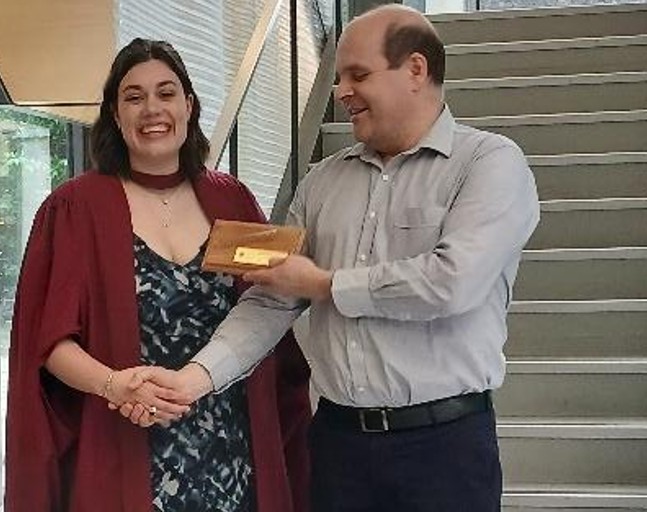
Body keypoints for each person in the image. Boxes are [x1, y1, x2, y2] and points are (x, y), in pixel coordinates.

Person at [129, 4, 541, 511]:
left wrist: (324, 284)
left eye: (358, 75)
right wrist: (191, 380)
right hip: (338, 446)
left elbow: (451, 282)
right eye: (340, 75)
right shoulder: (321, 182)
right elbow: (272, 300)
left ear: (415, 69)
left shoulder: (489, 163)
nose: (341, 90)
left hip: (444, 448)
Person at [4, 38, 311, 512]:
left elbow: (272, 315)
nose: (152, 109)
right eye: (134, 97)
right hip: (124, 449)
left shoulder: (233, 200)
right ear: (115, 114)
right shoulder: (73, 208)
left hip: (232, 454)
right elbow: (48, 345)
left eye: (166, 93)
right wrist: (114, 384)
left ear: (188, 105)